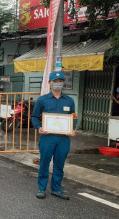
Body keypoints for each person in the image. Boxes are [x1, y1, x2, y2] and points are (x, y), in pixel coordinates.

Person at [31, 71, 76, 200]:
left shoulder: (69, 100)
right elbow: (34, 117)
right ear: (49, 83)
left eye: (60, 81)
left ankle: (56, 189)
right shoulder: (42, 100)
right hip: (47, 138)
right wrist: (39, 127)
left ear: (63, 83)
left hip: (63, 138)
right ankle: (42, 189)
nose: (57, 84)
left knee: (59, 164)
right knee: (44, 163)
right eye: (55, 81)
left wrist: (72, 129)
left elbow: (74, 117)